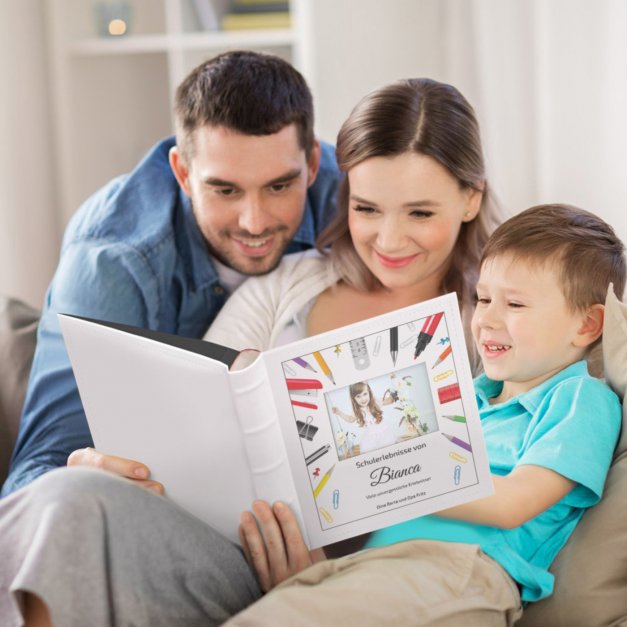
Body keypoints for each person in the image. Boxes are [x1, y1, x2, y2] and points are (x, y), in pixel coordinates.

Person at [0, 77, 500, 626]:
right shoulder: (291, 282)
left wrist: (321, 578)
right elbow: (190, 406)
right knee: (71, 497)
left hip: (358, 582)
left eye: (420, 214)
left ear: (470, 197)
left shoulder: (492, 325)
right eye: (367, 209)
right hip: (215, 547)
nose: (389, 239)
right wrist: (109, 464)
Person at [223, 203, 624, 626]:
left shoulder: (581, 398)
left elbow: (513, 503)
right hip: (374, 565)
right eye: (483, 298)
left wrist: (397, 467)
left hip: (460, 571)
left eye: (516, 305)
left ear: (586, 325)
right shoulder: (466, 394)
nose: (486, 318)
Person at [1, 50, 340, 497]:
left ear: (312, 163)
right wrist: (80, 482)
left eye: (279, 186)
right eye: (224, 189)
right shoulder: (113, 262)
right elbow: (31, 478)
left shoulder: (355, 201)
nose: (254, 221)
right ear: (182, 172)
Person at [332, 381, 396, 453]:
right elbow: (350, 419)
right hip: (371, 439)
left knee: (389, 451)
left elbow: (390, 400)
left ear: (369, 393)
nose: (363, 399)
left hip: (384, 434)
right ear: (354, 398)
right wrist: (339, 412)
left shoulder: (376, 403)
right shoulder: (358, 411)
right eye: (358, 396)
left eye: (365, 394)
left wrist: (395, 388)